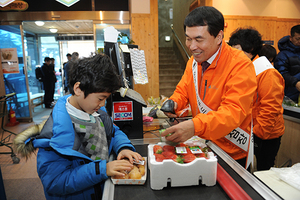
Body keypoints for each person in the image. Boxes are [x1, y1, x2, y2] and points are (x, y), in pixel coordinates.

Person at [13, 53, 142, 199]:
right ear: (78, 89)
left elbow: (113, 131)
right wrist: (102, 169)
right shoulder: (55, 136)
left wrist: (123, 147)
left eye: (106, 99)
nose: (103, 104)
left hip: (100, 189)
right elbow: (55, 182)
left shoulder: (97, 112)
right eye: (101, 98)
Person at [160, 6, 257, 169]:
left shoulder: (240, 64)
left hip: (231, 152)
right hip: (203, 144)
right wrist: (174, 103)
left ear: (219, 37)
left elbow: (233, 112)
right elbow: (183, 90)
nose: (191, 46)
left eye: (199, 39)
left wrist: (194, 126)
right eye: (188, 39)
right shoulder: (193, 62)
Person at [228, 27, 285, 171]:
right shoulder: (245, 68)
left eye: (238, 50)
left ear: (251, 49)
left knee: (262, 174)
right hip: (251, 133)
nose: (235, 54)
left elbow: (270, 108)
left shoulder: (267, 73)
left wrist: (257, 135)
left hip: (265, 136)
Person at [274, 25, 300, 103]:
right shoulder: (282, 55)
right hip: (289, 96)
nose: (299, 41)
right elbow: (281, 73)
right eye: (297, 39)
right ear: (291, 38)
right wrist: (295, 82)